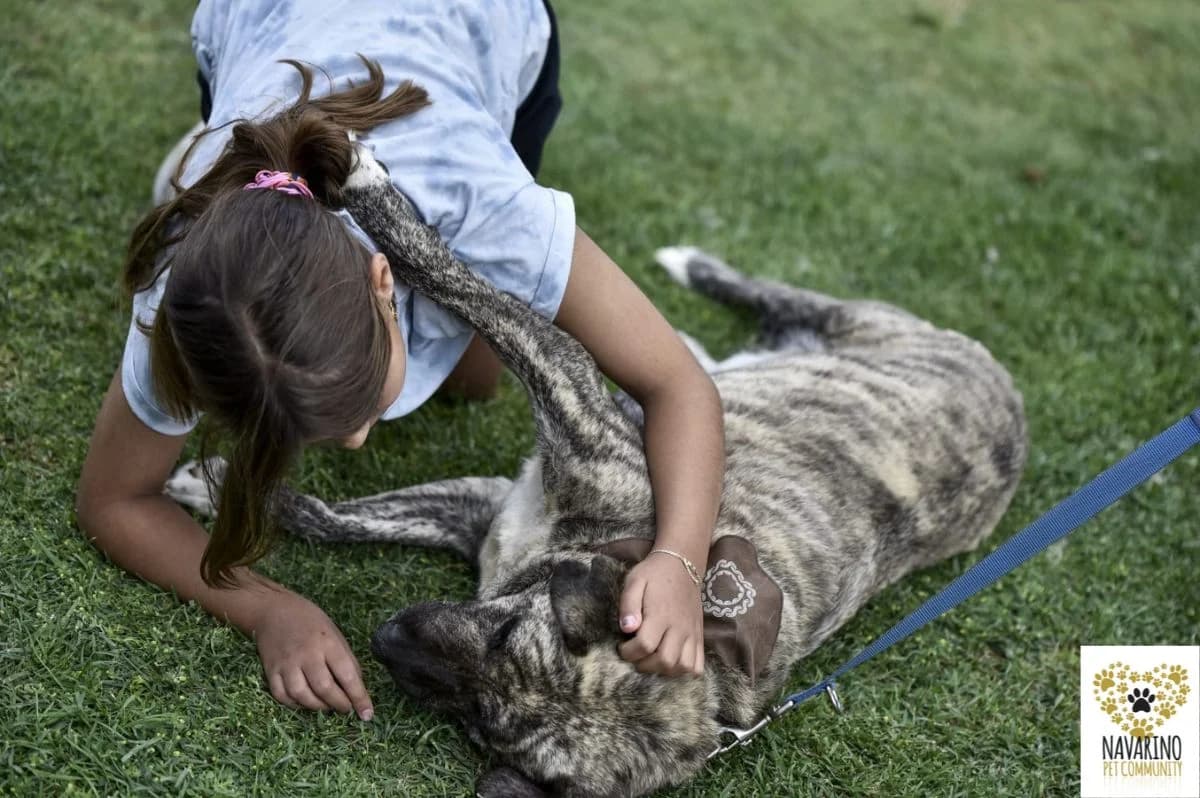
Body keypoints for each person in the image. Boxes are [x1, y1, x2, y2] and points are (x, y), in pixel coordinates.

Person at [76, 0, 724, 724]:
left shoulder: (486, 212)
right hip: (265, 18)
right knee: (469, 364)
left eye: (352, 411)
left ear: (387, 283)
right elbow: (113, 498)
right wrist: (268, 609)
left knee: (476, 379)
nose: (356, 442)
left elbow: (679, 386)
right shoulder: (188, 292)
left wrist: (679, 560)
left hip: (484, 21)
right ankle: (222, 144)